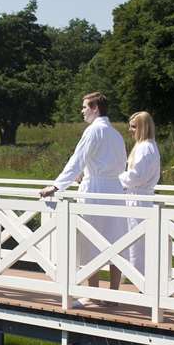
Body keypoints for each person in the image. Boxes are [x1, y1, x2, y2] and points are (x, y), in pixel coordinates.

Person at [39, 92, 127, 292]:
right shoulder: (116, 134)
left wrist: (56, 186)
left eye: (85, 107)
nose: (82, 111)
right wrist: (87, 172)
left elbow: (77, 159)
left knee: (90, 240)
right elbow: (121, 164)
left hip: (95, 190)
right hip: (115, 190)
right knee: (115, 240)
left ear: (95, 108)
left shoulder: (93, 131)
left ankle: (93, 293)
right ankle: (114, 293)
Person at [119, 111, 161, 278]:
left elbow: (136, 176)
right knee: (138, 242)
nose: (130, 130)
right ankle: (140, 278)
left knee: (137, 242)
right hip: (139, 197)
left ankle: (139, 279)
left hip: (138, 199)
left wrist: (116, 180)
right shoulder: (149, 146)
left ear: (143, 127)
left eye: (134, 127)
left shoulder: (145, 148)